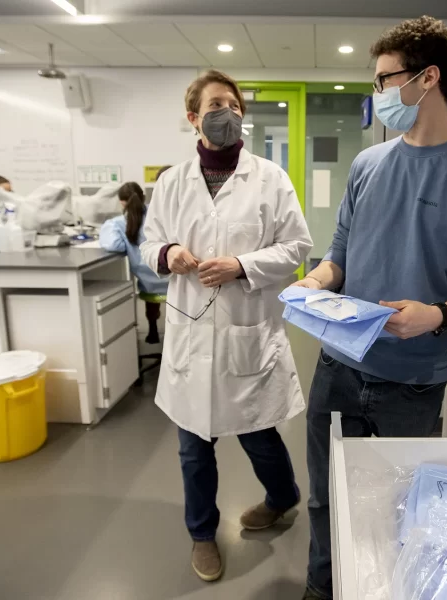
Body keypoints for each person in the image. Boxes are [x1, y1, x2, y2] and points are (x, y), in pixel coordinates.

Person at [296, 16, 447, 600]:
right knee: (324, 495)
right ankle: (321, 587)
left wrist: (438, 314)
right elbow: (340, 250)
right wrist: (316, 280)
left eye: (383, 80)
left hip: (413, 379)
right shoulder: (369, 166)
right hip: (339, 364)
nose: (378, 95)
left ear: (427, 78)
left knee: (402, 511)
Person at [140, 69, 313, 583]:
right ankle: (201, 533)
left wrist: (241, 266)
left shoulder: (269, 178)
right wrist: (168, 253)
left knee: (260, 437)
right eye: (216, 105)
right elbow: (149, 244)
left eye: (235, 106)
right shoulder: (172, 182)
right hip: (192, 340)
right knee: (194, 449)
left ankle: (282, 498)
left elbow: (297, 248)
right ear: (193, 117)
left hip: (245, 334)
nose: (228, 114)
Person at [99, 182, 168, 343]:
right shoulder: (159, 215)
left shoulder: (118, 223)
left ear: (121, 202)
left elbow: (115, 245)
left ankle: (153, 330)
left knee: (151, 291)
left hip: (149, 283)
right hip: (172, 280)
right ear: (143, 197)